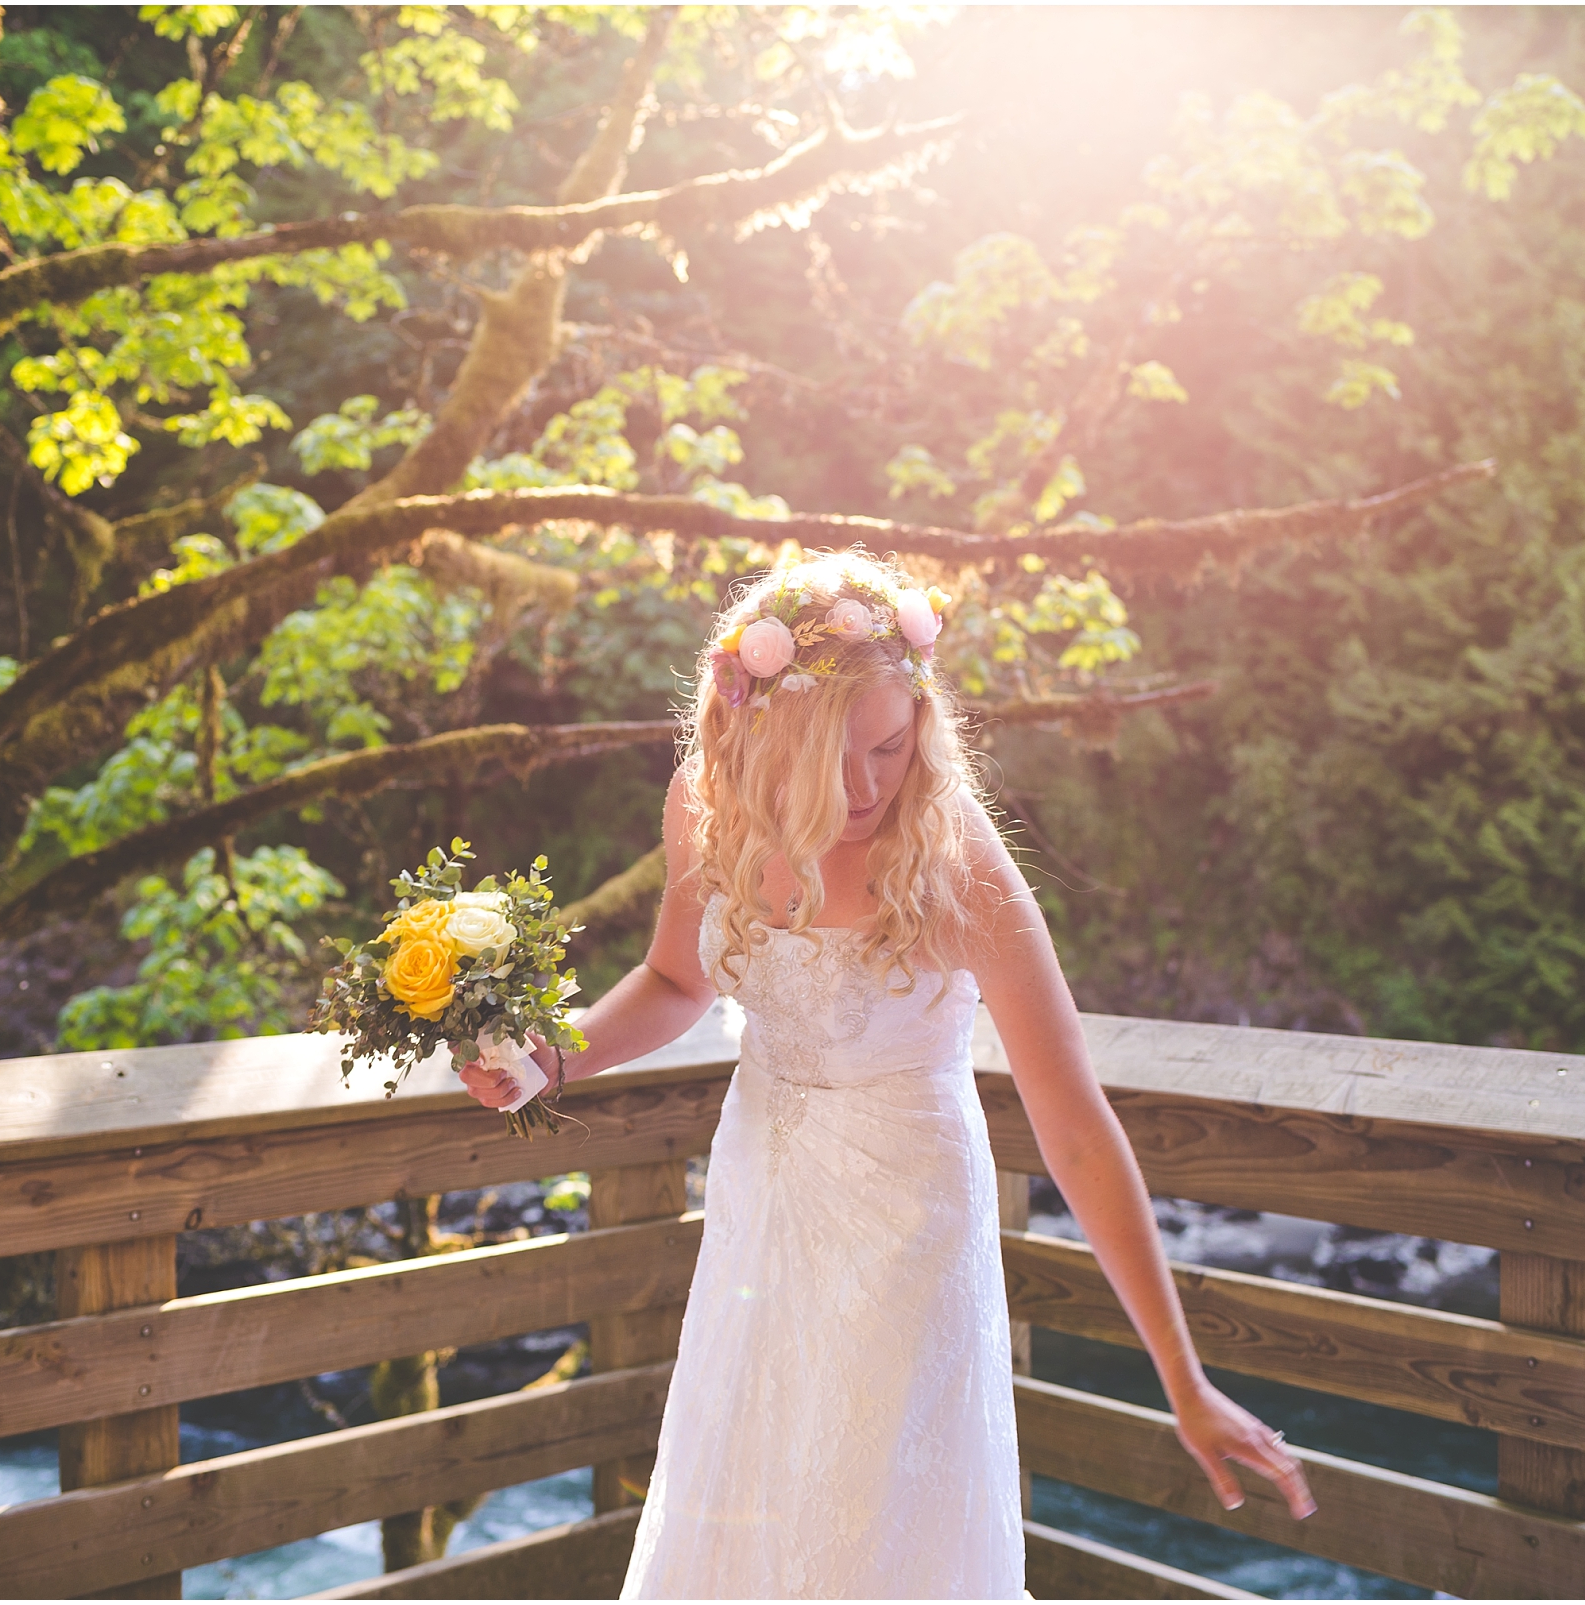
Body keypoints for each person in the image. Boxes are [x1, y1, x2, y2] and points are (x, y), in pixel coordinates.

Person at [461, 549, 1314, 1599]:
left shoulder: (955, 862)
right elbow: (676, 981)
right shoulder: (705, 804)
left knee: (872, 1520)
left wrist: (1184, 1381)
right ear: (761, 736)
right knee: (748, 1488)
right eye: (835, 759)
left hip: (910, 1222)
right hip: (762, 1200)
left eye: (892, 747)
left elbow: (1077, 1127)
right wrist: (556, 1055)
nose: (867, 787)